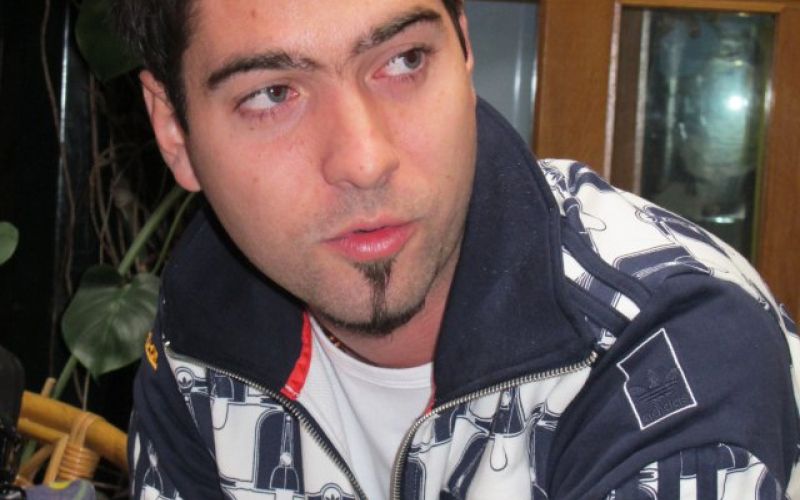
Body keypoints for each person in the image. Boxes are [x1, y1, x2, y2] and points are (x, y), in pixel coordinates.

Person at [112, 0, 800, 498]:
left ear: (464, 54)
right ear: (174, 131)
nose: (365, 160)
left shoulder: (673, 340)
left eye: (404, 60)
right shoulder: (199, 331)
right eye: (271, 94)